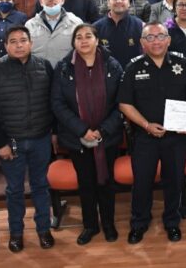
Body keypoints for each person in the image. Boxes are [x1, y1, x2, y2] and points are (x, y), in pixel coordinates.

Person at [118, 22, 186, 244]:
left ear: (168, 40)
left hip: (176, 138)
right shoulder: (133, 68)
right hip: (144, 137)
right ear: (142, 42)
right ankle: (139, 222)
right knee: (142, 182)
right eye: (150, 37)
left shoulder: (183, 65)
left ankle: (172, 221)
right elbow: (124, 104)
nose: (156, 41)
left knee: (174, 181)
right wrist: (146, 125)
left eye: (160, 36)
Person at [0, 26, 55, 252]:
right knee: (14, 190)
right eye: (13, 41)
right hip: (11, 142)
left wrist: (54, 132)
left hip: (41, 138)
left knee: (41, 186)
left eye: (23, 40)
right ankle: (16, 233)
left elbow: (54, 102)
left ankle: (44, 230)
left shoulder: (44, 66)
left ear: (31, 43)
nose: (19, 45)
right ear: (6, 46)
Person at [52, 23, 125, 245]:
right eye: (79, 37)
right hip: (77, 138)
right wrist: (82, 130)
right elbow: (57, 104)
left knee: (106, 183)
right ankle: (90, 225)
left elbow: (122, 103)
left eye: (88, 36)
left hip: (107, 137)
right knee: (86, 183)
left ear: (97, 40)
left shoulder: (113, 65)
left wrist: (103, 130)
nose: (83, 40)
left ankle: (109, 223)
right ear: (73, 42)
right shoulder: (63, 68)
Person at [26, 0, 83, 66]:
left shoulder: (76, 23)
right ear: (41, 1)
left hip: (66, 71)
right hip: (38, 72)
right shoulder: (30, 25)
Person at [93, 0, 144, 67]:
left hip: (133, 72)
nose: (119, 1)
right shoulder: (96, 28)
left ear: (129, 3)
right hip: (106, 73)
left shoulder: (140, 26)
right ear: (108, 3)